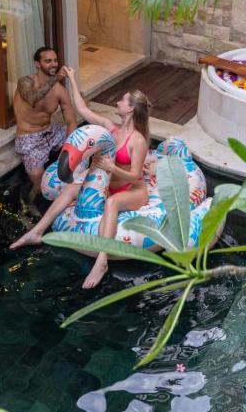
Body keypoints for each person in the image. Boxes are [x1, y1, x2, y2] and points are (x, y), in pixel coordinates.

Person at [10, 67, 152, 290]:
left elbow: (135, 175)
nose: (117, 102)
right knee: (71, 189)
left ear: (131, 109)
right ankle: (37, 232)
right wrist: (73, 79)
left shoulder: (138, 141)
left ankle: (102, 261)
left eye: (123, 100)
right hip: (109, 184)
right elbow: (82, 108)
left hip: (131, 189)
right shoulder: (110, 128)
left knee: (111, 203)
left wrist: (111, 167)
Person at [13, 46, 77, 204]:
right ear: (37, 64)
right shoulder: (25, 82)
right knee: (41, 185)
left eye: (55, 60)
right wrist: (55, 79)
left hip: (51, 132)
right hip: (30, 139)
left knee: (84, 146)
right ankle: (30, 207)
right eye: (48, 61)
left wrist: (70, 150)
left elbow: (71, 121)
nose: (54, 64)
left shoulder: (60, 90)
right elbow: (32, 98)